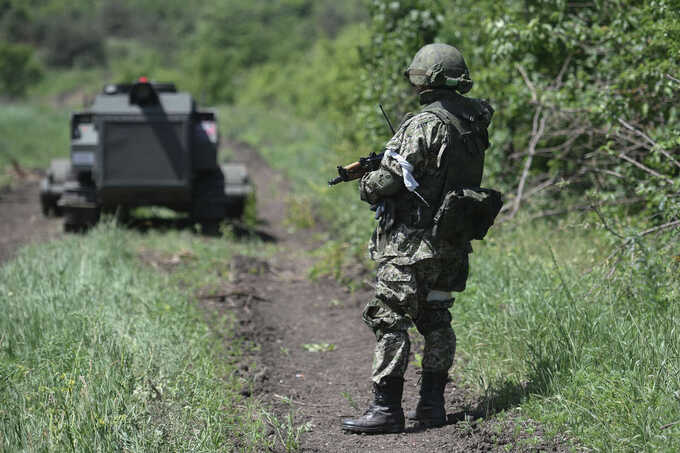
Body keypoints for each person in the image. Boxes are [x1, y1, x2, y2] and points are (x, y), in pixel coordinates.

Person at [341, 43, 494, 434]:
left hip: (412, 244)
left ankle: (386, 409)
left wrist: (367, 186)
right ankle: (432, 407)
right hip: (452, 240)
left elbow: (389, 179)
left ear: (426, 79)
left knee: (389, 317)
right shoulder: (474, 120)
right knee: (436, 318)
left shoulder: (425, 123)